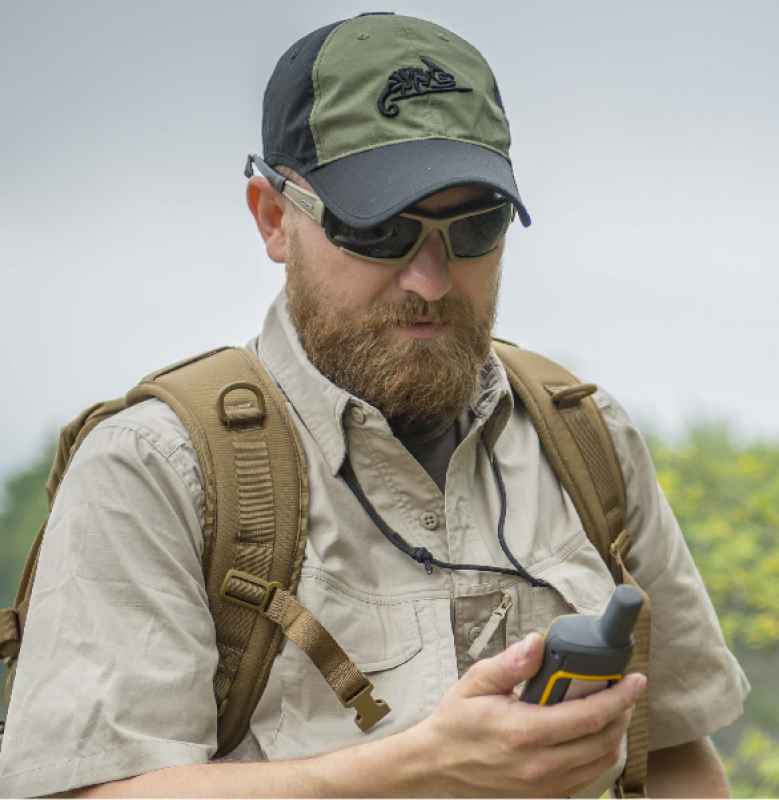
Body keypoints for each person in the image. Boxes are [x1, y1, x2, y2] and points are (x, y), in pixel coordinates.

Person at [0, 11, 748, 798]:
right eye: (379, 230)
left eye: (474, 228)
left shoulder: (584, 438)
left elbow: (673, 759)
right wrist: (423, 764)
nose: (430, 279)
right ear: (272, 217)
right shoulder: (159, 466)